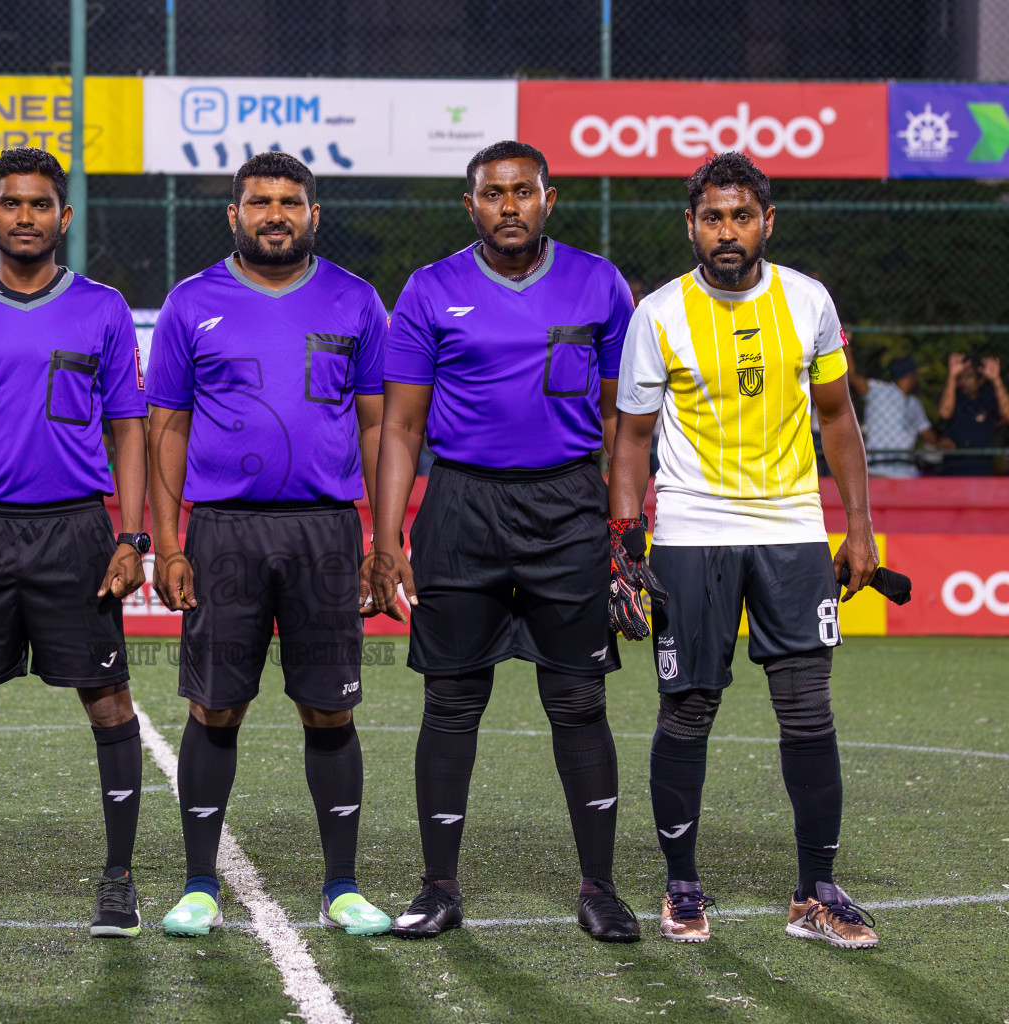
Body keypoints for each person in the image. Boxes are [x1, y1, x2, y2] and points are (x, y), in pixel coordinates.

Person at [367, 141, 639, 943]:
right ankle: (439, 887)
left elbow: (625, 422)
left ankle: (599, 887)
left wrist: (624, 531)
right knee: (451, 701)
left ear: (548, 199)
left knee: (579, 701)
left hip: (567, 507)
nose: (509, 206)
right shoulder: (430, 289)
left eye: (524, 192)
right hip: (462, 507)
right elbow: (402, 428)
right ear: (471, 205)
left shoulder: (599, 283)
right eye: (494, 194)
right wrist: (387, 538)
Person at [609, 152, 880, 949]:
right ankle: (682, 886)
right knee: (688, 708)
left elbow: (837, 418)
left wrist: (856, 525)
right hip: (692, 534)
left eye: (742, 215)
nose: (727, 231)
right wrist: (626, 549)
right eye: (712, 217)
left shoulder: (809, 302)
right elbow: (628, 441)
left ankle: (815, 892)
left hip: (793, 531)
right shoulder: (657, 313)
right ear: (690, 226)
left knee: (807, 711)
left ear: (768, 221)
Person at [146, 151, 393, 938]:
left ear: (313, 213)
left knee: (330, 709)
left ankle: (342, 887)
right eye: (260, 202)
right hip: (223, 531)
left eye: (290, 202)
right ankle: (197, 885)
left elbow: (381, 423)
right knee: (215, 705)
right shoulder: (191, 303)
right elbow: (166, 429)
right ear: (234, 215)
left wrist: (382, 540)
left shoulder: (356, 300)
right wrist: (167, 542)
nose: (275, 214)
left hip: (326, 527)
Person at [0, 148, 150, 939]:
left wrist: (132, 537)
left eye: (40, 205)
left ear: (63, 217)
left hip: (78, 532)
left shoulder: (104, 309)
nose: (25, 217)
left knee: (109, 700)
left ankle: (118, 880)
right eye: (11, 204)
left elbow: (129, 430)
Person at [847, 355, 937, 478]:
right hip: (880, 470)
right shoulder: (878, 391)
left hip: (902, 471)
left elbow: (929, 436)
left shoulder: (914, 403)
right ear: (910, 375)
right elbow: (852, 376)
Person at [938, 353, 1008, 476]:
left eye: (969, 376)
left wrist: (996, 379)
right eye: (961, 377)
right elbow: (944, 413)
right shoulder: (953, 394)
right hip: (953, 467)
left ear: (980, 378)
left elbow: (1007, 414)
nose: (964, 381)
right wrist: (952, 376)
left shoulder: (988, 396)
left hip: (982, 466)